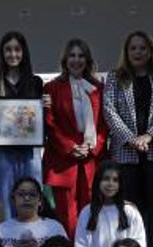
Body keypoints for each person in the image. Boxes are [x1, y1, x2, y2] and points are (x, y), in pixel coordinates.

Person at [102, 30, 153, 247]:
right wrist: (130, 139)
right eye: (133, 48)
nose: (138, 52)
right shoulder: (115, 77)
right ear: (126, 52)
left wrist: (149, 136)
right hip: (127, 153)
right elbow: (109, 110)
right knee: (131, 208)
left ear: (151, 51)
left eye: (142, 48)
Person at [43, 38, 107, 236]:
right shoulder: (52, 88)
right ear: (65, 60)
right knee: (67, 217)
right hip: (63, 161)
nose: (76, 60)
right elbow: (49, 124)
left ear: (87, 60)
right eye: (72, 55)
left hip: (92, 160)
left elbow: (105, 124)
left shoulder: (99, 88)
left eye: (81, 56)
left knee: (91, 214)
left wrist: (91, 147)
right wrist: (71, 147)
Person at [0, 31, 47, 212]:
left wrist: (46, 106)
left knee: (32, 200)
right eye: (8, 50)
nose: (13, 54)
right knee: (5, 204)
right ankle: (7, 240)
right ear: (2, 53)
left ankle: (35, 238)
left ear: (24, 52)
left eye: (17, 49)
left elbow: (42, 121)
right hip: (2, 154)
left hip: (30, 154)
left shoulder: (36, 83)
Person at [74, 160, 147, 247]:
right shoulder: (87, 212)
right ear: (98, 182)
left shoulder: (129, 211)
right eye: (106, 179)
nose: (110, 184)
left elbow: (139, 245)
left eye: (115, 180)